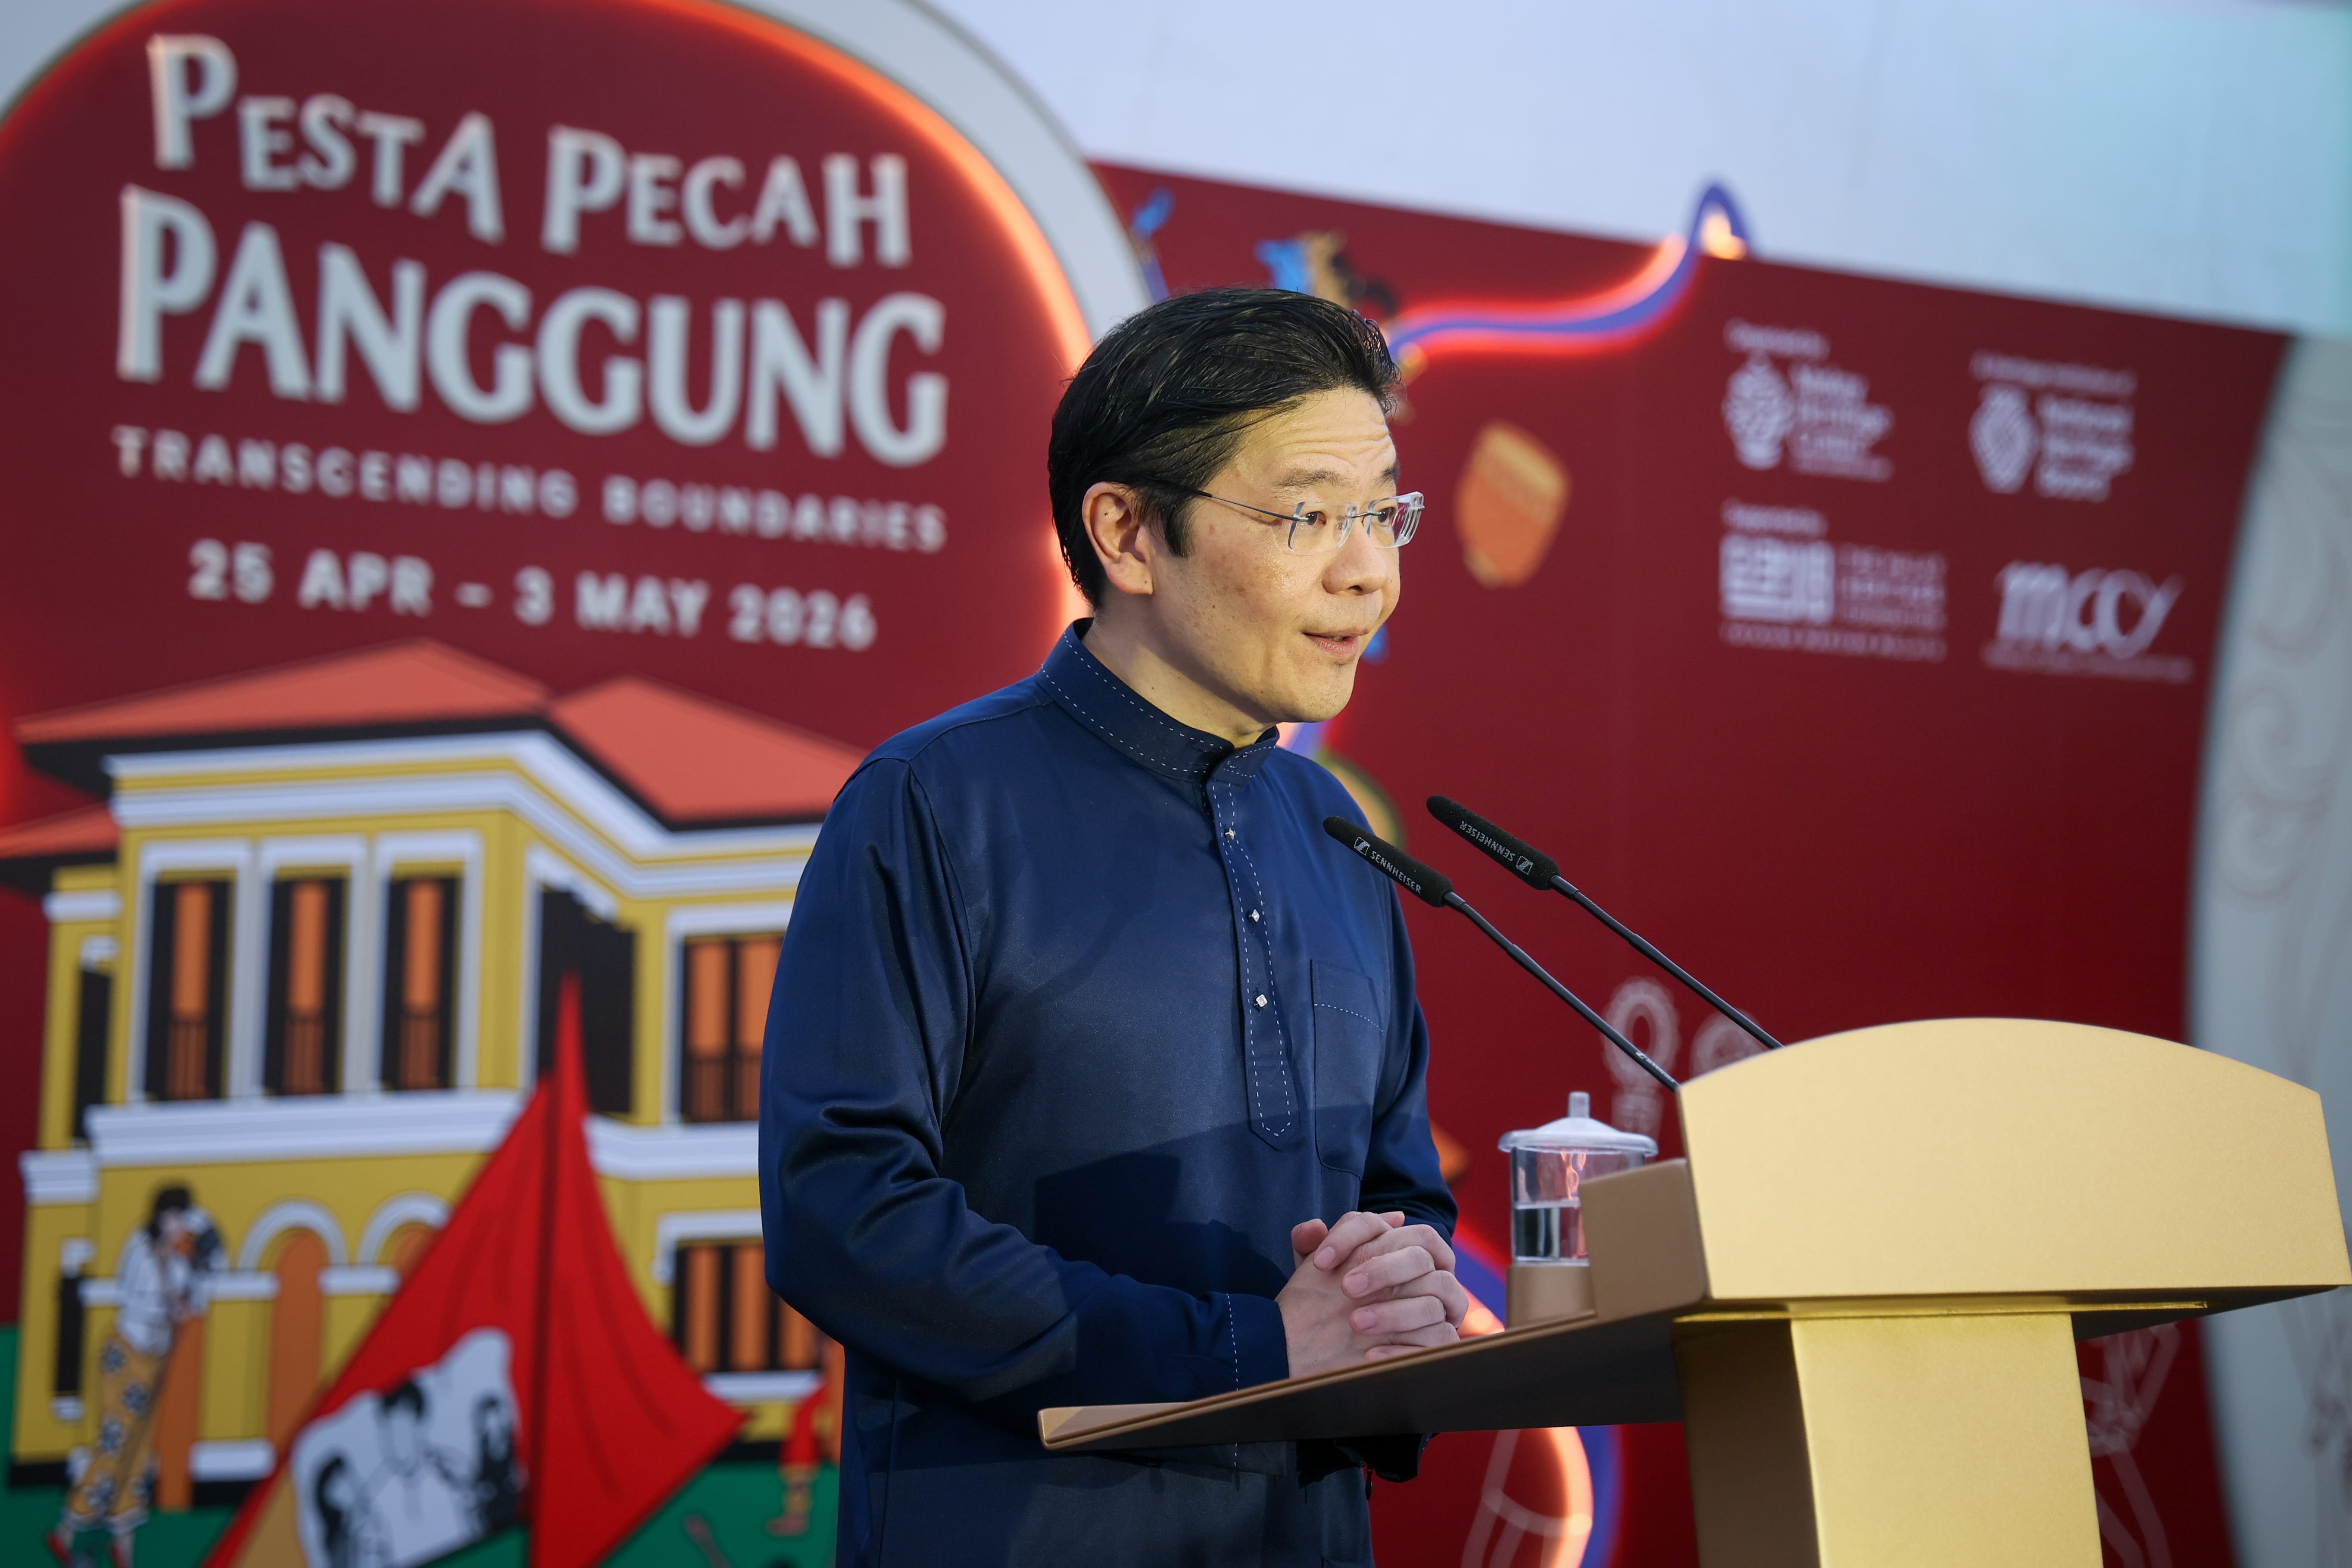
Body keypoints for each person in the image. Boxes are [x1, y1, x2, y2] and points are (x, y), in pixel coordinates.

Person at [760, 287, 1464, 1565]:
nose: (1369, 568)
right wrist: (1253, 1350)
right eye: (1311, 514)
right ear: (1129, 533)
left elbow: (1398, 1190)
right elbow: (846, 1210)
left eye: (1382, 512)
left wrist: (1401, 1292)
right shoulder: (932, 804)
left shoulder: (1337, 836)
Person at [48, 1185, 217, 1568]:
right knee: (115, 1440)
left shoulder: (180, 1260)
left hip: (154, 1359)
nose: (177, 1226)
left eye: (183, 1218)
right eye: (172, 1217)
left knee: (139, 1450)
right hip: (125, 1353)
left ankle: (123, 1545)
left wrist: (199, 1261)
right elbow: (137, 1297)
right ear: (159, 1217)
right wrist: (169, 1304)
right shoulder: (140, 1249)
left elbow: (195, 1300)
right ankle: (68, 1530)